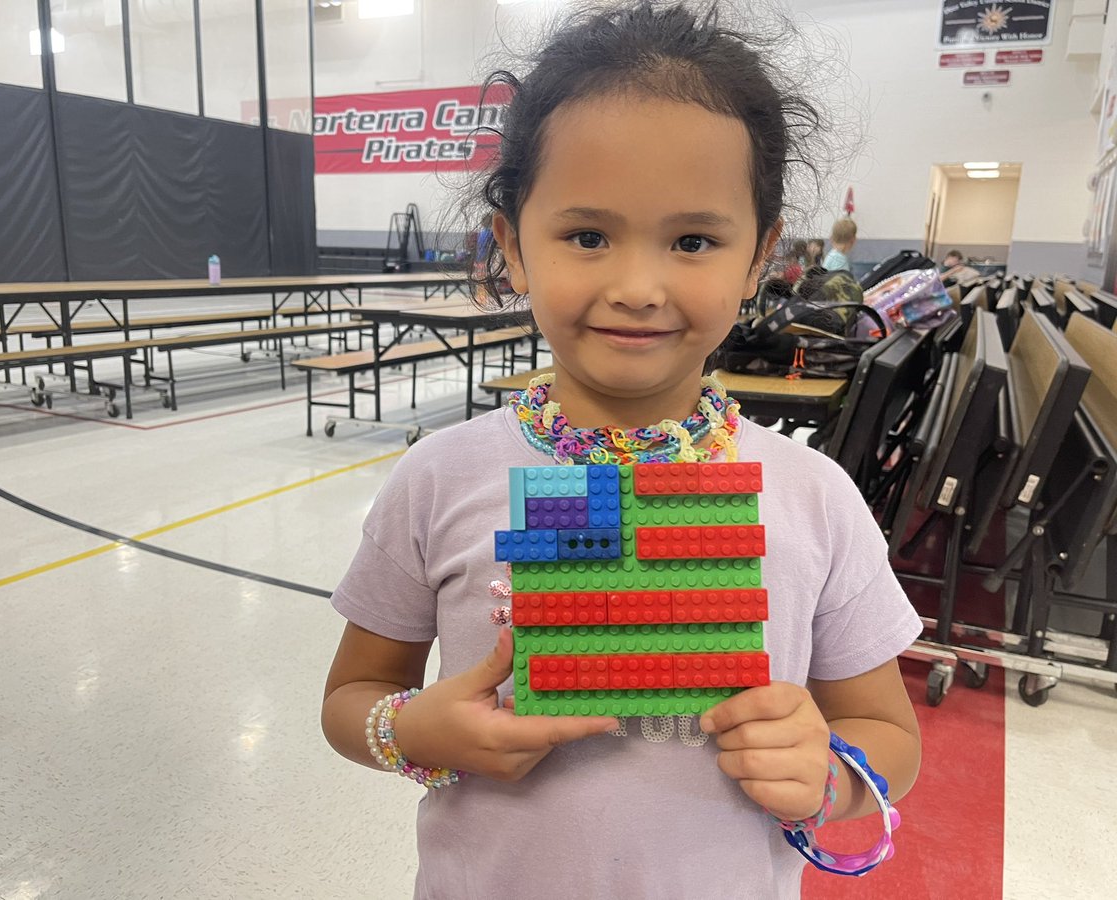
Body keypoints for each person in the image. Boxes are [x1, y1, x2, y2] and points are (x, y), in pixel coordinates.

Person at [322, 4, 922, 898]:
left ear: (759, 258)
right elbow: (351, 697)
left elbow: (891, 738)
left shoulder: (815, 496)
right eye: (588, 236)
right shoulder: (437, 480)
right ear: (512, 247)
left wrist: (829, 774)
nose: (638, 287)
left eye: (693, 241)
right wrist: (410, 731)